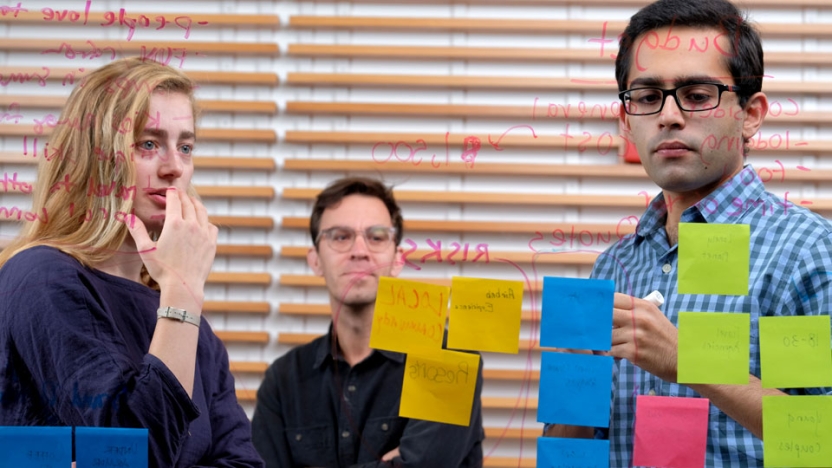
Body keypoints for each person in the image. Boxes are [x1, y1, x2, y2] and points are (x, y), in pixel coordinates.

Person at [544, 0, 832, 465]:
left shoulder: (802, 254)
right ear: (626, 119)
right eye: (647, 96)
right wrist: (580, 374)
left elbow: (823, 437)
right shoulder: (615, 265)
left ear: (751, 113)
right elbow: (571, 439)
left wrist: (691, 361)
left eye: (698, 95)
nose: (669, 116)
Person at [0, 57, 264, 467]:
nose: (175, 167)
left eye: (186, 147)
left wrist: (179, 293)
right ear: (95, 157)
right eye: (148, 144)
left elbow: (243, 462)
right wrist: (182, 289)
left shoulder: (184, 315)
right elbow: (134, 455)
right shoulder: (42, 278)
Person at [252, 177, 484, 467]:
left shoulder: (447, 358)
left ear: (398, 258)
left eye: (376, 237)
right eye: (340, 236)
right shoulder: (283, 380)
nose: (359, 251)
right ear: (315, 261)